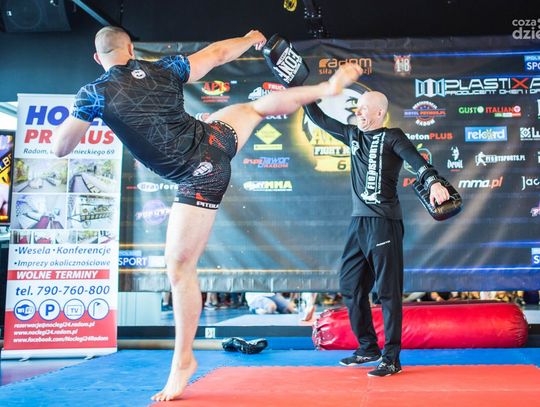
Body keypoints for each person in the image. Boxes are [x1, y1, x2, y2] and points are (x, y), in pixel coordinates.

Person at [52, 26, 362, 401]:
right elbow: (216, 54)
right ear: (131, 49)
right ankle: (326, 89)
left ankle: (183, 360)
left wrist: (81, 115)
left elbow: (61, 148)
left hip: (197, 174)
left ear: (96, 58)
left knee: (179, 269)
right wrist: (249, 40)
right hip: (215, 138)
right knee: (255, 107)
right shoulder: (164, 68)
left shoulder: (94, 93)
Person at [304, 91, 450, 377]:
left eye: (363, 108)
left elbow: (416, 161)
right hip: (358, 223)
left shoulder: (393, 137)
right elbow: (318, 118)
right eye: (357, 108)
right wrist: (302, 93)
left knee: (387, 292)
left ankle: (392, 358)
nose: (357, 112)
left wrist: (433, 182)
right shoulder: (352, 135)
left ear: (380, 113)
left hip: (384, 223)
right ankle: (368, 347)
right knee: (350, 286)